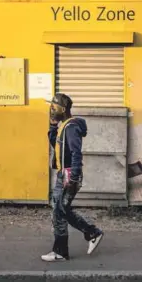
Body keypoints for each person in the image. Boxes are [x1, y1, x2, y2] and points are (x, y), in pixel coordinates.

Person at [41, 93, 103, 262]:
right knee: (60, 209)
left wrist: (73, 177)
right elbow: (55, 144)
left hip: (69, 175)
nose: (51, 110)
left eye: (54, 107)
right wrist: (53, 126)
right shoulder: (63, 126)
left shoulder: (71, 127)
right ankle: (90, 233)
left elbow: (76, 153)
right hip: (64, 174)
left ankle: (62, 251)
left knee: (59, 210)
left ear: (63, 109)